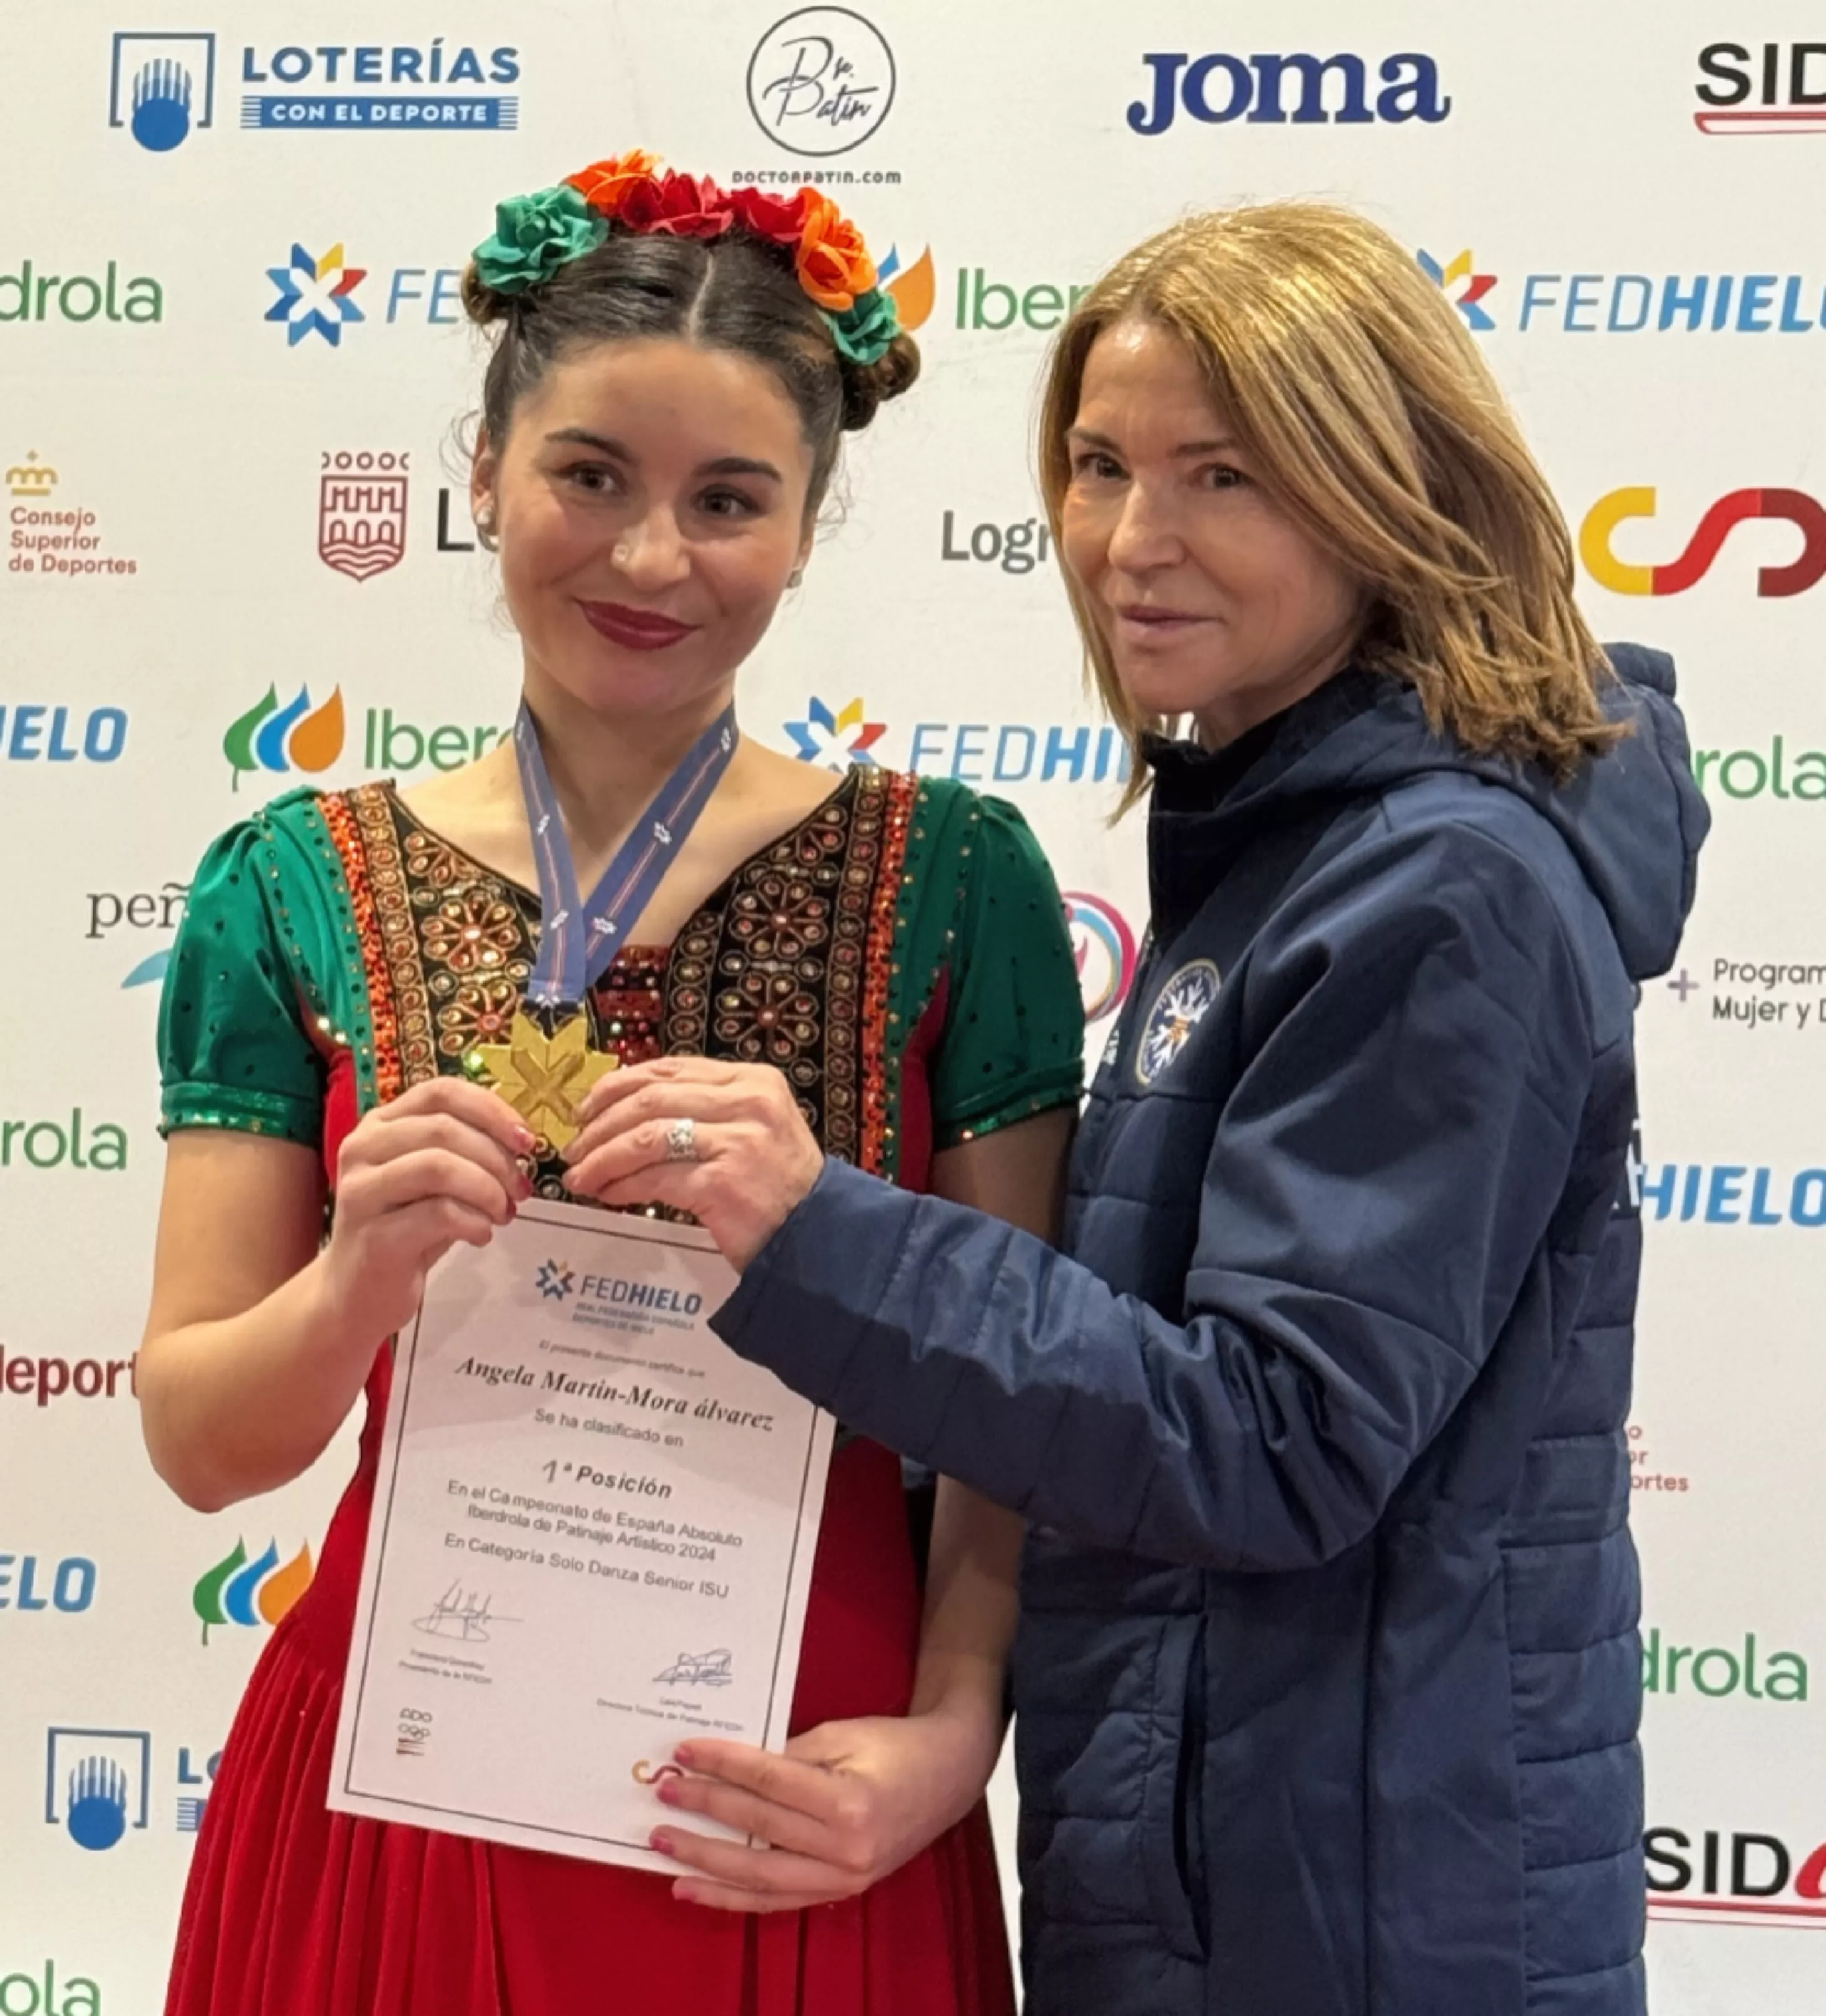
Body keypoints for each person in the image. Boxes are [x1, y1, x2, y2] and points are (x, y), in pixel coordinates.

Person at [558, 202, 1710, 2016]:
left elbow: (1271, 1440)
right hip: (1234, 1862)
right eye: (1098, 465)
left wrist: (821, 1229)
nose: (1129, 541)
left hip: (1354, 1913)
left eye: (1222, 476)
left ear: (1382, 493)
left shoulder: (1441, 886)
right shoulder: (1294, 842)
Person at [140, 151, 1084, 2016]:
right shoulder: (292, 883)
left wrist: (950, 1733)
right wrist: (353, 1280)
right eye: (589, 476)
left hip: (799, 1783)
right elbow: (199, 1437)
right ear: (481, 472)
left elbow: (1018, 1398)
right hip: (399, 1767)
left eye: (728, 499)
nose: (652, 557)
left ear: (806, 525)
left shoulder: (959, 879)